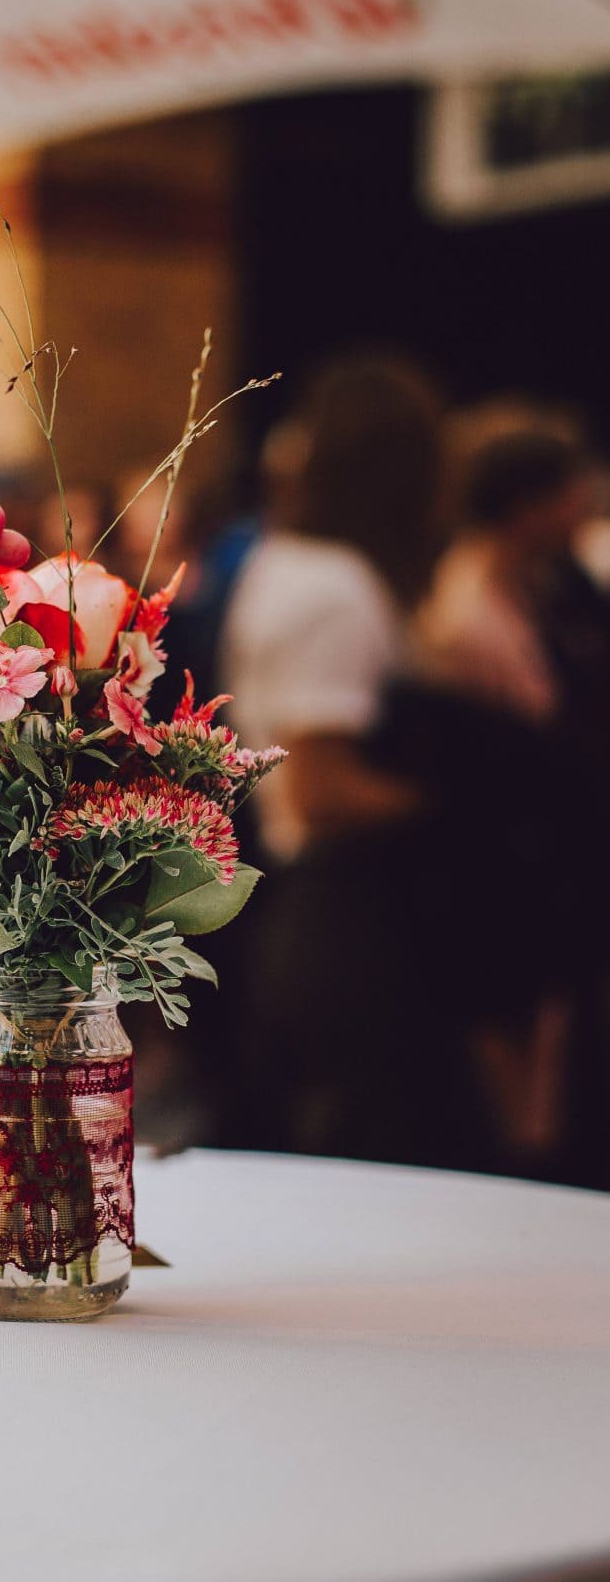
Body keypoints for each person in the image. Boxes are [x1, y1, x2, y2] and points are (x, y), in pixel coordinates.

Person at [221, 356, 485, 1167]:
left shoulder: (290, 563)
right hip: (344, 915)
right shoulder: (333, 587)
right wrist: (463, 807)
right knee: (367, 1156)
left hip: (315, 907)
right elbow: (322, 790)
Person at [417, 429, 610, 1181]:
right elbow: (506, 746)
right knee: (507, 1012)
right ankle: (523, 1166)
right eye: (569, 490)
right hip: (499, 848)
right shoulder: (468, 607)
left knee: (552, 1015)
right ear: (527, 503)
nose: (583, 502)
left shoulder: (549, 579)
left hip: (548, 839)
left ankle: (545, 1152)